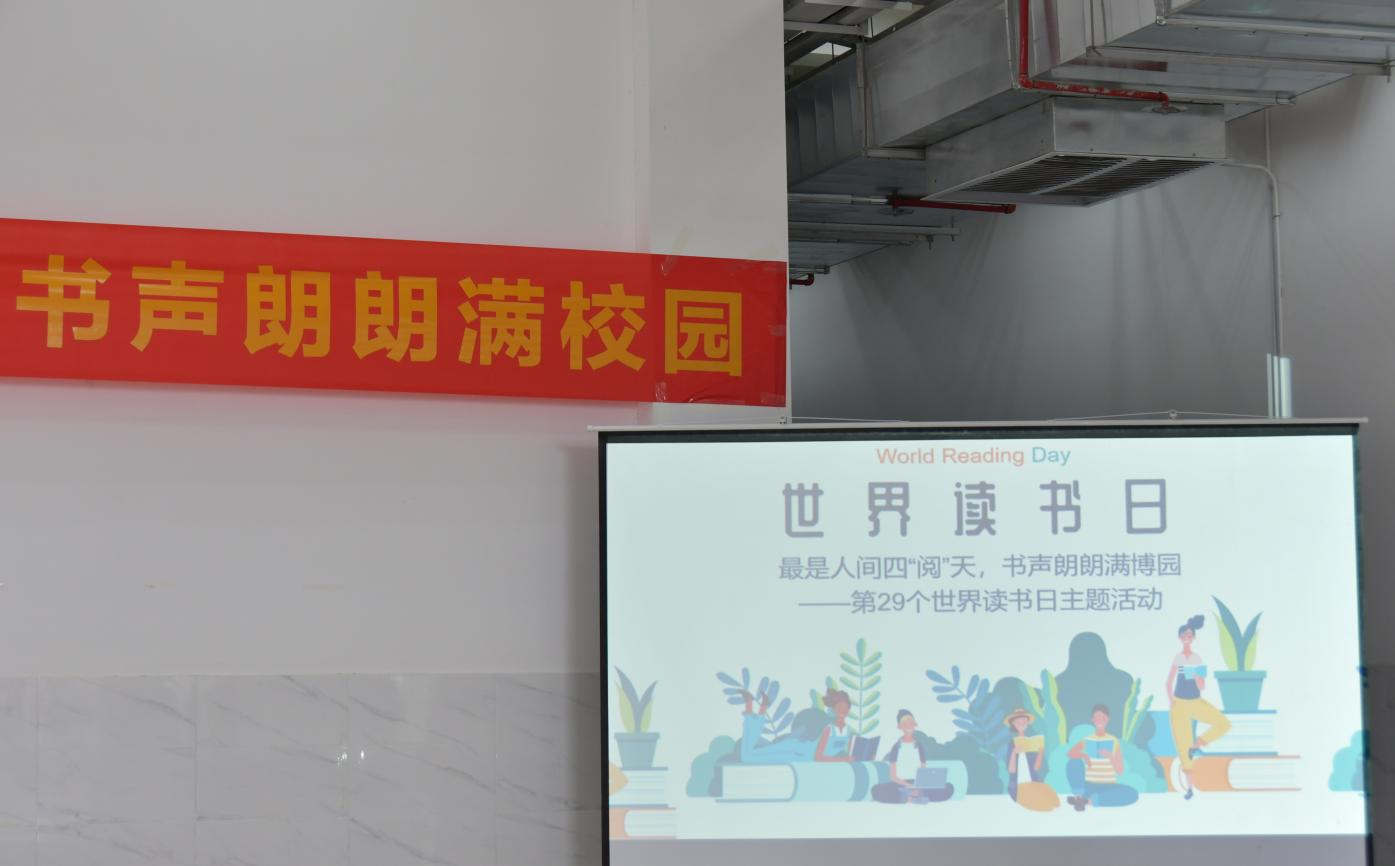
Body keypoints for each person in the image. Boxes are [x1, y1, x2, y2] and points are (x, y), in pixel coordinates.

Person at [1167, 613, 1232, 799]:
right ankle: (1190, 789)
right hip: (1179, 704)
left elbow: (1202, 686)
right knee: (1183, 747)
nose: (1187, 638)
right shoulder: (1178, 658)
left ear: (1193, 638)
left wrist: (1196, 675)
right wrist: (1171, 700)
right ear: (1180, 638)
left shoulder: (1197, 659)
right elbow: (1169, 681)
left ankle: (1197, 744)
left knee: (1223, 723)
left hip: (1195, 702)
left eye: (1190, 635)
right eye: (1184, 635)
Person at [871, 709, 954, 804]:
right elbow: (893, 776)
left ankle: (916, 795)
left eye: (910, 722)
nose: (908, 726)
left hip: (918, 784)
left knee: (948, 787)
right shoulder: (896, 748)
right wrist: (908, 786)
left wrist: (919, 787)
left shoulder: (920, 747)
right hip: (901, 784)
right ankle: (909, 798)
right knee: (876, 790)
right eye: (905, 723)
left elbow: (923, 771)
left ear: (915, 724)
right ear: (899, 727)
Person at [1065, 705, 1138, 810]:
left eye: (1103, 717)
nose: (1100, 720)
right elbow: (1070, 754)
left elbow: (1120, 771)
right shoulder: (1087, 739)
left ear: (1107, 719)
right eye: (1097, 717)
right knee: (1073, 762)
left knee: (1132, 794)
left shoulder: (1114, 741)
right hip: (1089, 785)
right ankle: (1078, 797)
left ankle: (1086, 801)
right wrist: (1084, 756)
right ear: (1092, 720)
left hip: (1108, 786)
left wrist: (1110, 756)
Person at [736, 689, 821, 764]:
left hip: (796, 752)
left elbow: (795, 735)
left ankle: (754, 706)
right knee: (748, 755)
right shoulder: (812, 739)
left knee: (747, 756)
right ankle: (753, 706)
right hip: (797, 752)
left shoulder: (808, 736)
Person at [1004, 708, 1058, 811]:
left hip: (1033, 782)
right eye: (1018, 722)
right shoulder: (1012, 744)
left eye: (1024, 721)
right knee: (1044, 807)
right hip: (1018, 786)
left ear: (1028, 723)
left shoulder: (1031, 743)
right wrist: (1014, 753)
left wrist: (1041, 752)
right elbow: (1011, 770)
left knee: (1054, 800)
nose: (1022, 724)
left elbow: (1036, 768)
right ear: (1013, 724)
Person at [814, 688, 855, 762]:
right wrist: (841, 760)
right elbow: (818, 757)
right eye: (839, 707)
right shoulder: (828, 729)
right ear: (834, 709)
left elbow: (850, 753)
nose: (842, 711)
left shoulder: (848, 730)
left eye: (845, 708)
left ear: (848, 709)